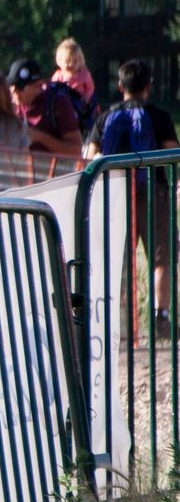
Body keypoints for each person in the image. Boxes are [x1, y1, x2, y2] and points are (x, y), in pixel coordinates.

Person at [85, 59, 180, 326]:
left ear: (120, 85)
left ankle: (122, 322)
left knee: (120, 258)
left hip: (116, 196)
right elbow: (171, 151)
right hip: (154, 192)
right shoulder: (159, 117)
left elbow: (91, 157)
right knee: (162, 256)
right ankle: (160, 317)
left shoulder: (105, 118)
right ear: (148, 87)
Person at [6, 58, 83, 156]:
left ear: (38, 86)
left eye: (20, 87)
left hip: (57, 170)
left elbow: (76, 150)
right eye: (11, 85)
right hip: (22, 169)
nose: (13, 92)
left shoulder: (58, 104)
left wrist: (40, 137)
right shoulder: (12, 107)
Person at [51, 37, 96, 106]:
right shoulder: (58, 76)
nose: (71, 64)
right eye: (68, 61)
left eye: (75, 61)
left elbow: (90, 88)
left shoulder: (84, 74)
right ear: (60, 61)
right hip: (63, 105)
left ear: (80, 60)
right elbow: (52, 88)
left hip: (80, 105)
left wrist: (86, 97)